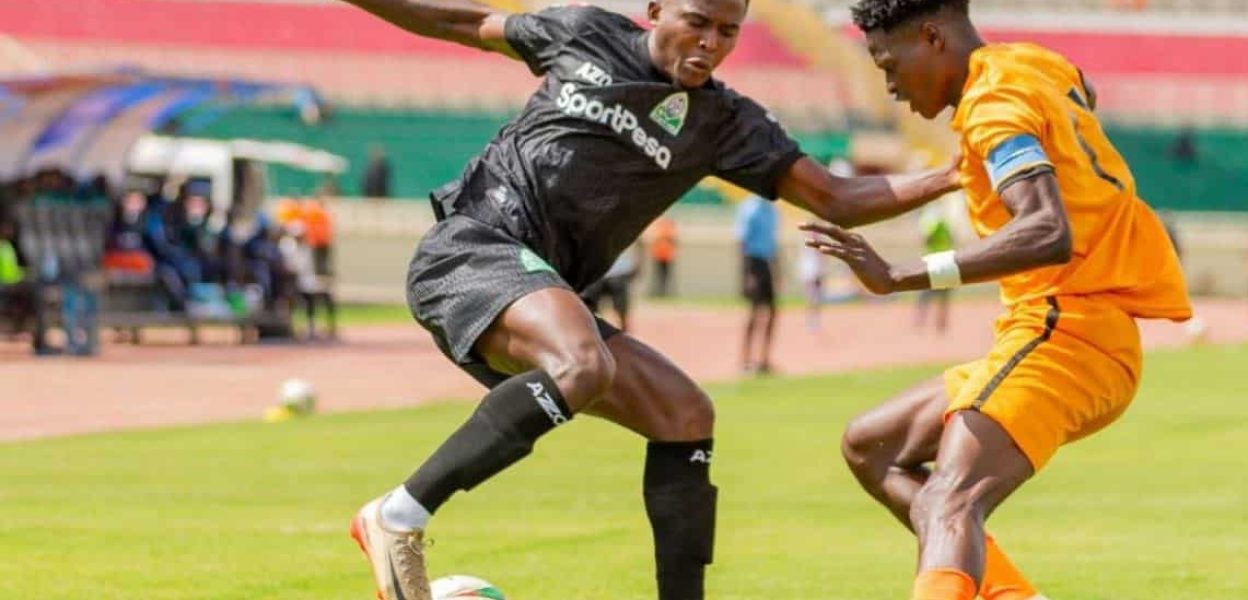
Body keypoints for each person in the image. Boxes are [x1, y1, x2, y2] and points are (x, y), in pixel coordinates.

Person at [332, 0, 961, 599]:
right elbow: (454, 17)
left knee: (684, 414)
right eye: (698, 22)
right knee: (584, 363)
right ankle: (398, 514)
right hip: (470, 250)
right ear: (656, 11)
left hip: (541, 290)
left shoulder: (725, 123)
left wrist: (957, 172)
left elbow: (839, 198)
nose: (711, 44)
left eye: (728, 31)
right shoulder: (583, 33)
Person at [809, 1, 1194, 598]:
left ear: (932, 37)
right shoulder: (1033, 65)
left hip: (1067, 330)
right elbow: (1081, 91)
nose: (891, 87)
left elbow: (1046, 229)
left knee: (949, 500)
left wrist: (900, 274)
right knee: (871, 447)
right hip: (1061, 327)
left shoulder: (992, 107)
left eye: (890, 65)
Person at [735, 193, 780, 372]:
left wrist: (777, 270)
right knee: (754, 313)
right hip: (753, 263)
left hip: (766, 263)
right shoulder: (749, 208)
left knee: (772, 312)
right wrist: (746, 274)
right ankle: (745, 359)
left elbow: (773, 243)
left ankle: (764, 359)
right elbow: (742, 243)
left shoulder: (772, 209)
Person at [913, 200, 956, 333]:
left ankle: (921, 321)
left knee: (926, 295)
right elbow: (952, 239)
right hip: (947, 260)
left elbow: (927, 237)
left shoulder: (932, 221)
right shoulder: (945, 224)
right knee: (943, 297)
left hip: (934, 262)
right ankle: (941, 324)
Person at [580, 242, 643, 332]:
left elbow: (639, 246)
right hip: (597, 272)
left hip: (618, 272)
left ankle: (623, 331)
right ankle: (592, 329)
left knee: (621, 307)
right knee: (590, 306)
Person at [647, 215, 678, 297]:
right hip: (659, 255)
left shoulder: (666, 228)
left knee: (665, 275)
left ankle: (664, 292)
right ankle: (658, 292)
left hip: (667, 256)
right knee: (660, 275)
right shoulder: (660, 228)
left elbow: (674, 240)